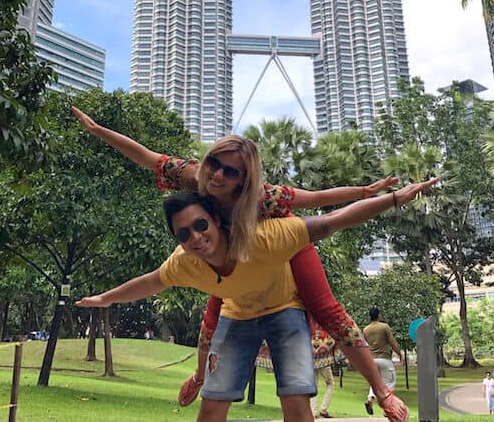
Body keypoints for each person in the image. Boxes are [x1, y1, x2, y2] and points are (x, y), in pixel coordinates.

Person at [72, 106, 430, 422]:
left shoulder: (264, 200)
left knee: (327, 308)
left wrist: (369, 193)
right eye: (215, 164)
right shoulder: (195, 178)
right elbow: (148, 157)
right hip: (222, 263)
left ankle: (382, 392)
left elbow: (320, 204)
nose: (218, 176)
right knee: (212, 321)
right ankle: (201, 378)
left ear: (244, 179)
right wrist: (98, 131)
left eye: (231, 172)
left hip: (277, 250)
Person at [363, 307, 403, 416]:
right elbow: (392, 342)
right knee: (390, 382)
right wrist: (399, 353)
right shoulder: (384, 327)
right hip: (384, 359)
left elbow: (364, 345)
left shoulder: (366, 329)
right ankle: (387, 409)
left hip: (372, 360)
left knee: (375, 382)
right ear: (379, 315)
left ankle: (370, 399)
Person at [309, 317, 337, 419]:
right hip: (323, 358)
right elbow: (331, 340)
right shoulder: (324, 322)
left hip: (311, 357)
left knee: (314, 384)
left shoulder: (308, 322)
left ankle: (313, 411)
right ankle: (323, 409)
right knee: (330, 383)